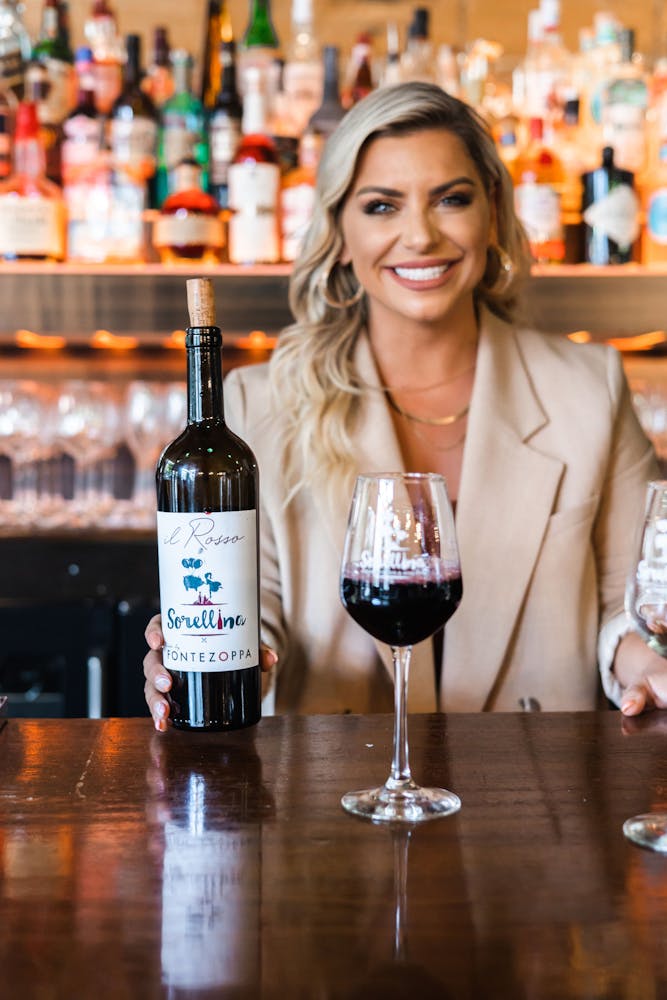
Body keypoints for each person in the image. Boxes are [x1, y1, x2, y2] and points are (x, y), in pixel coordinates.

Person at [144, 81, 666, 730]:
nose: (419, 235)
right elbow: (256, 604)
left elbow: (635, 598)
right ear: (338, 231)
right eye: (381, 206)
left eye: (450, 199)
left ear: (492, 213)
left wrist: (645, 660)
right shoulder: (258, 404)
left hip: (534, 798)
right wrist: (216, 645)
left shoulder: (589, 387)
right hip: (333, 803)